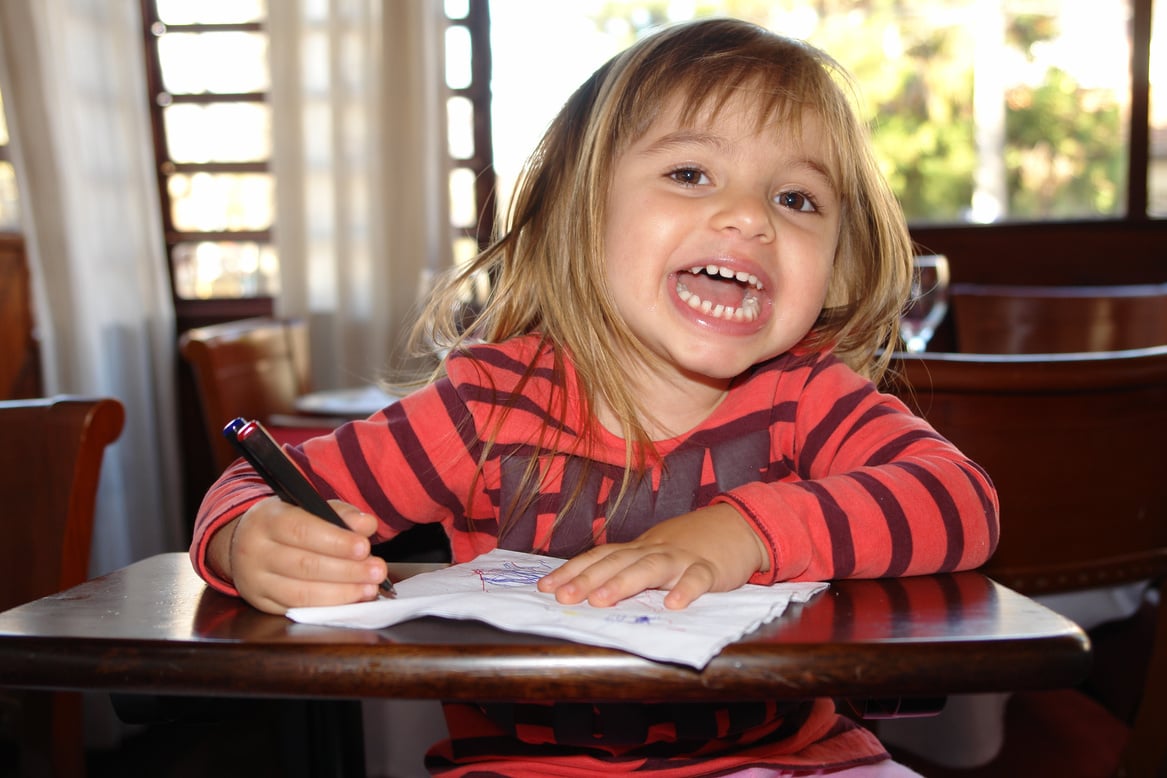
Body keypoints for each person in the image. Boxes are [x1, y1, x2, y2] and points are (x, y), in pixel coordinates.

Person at [191, 18, 998, 777]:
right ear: (576, 216)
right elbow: (263, 480)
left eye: (796, 200)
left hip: (791, 761)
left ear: (836, 265)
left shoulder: (808, 396)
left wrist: (745, 531)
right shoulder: (486, 407)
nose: (749, 218)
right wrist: (246, 539)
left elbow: (962, 501)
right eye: (689, 174)